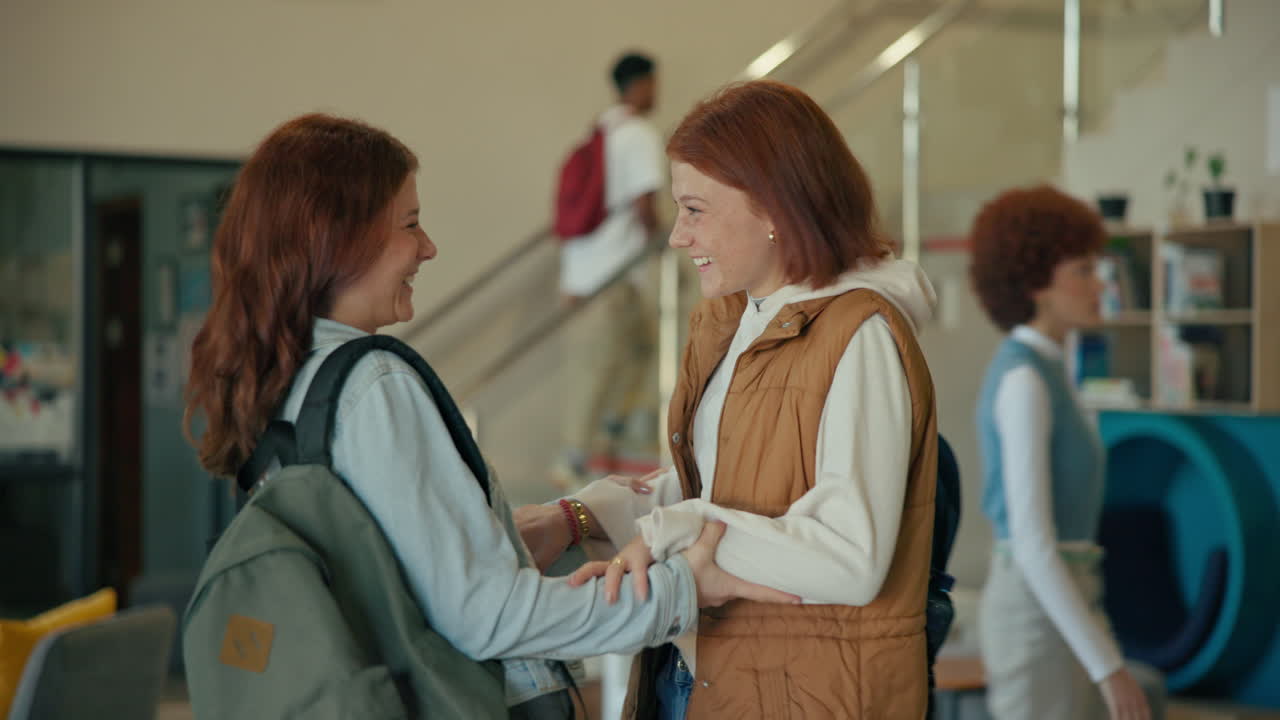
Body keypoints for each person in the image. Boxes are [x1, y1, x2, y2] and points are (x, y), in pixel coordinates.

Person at [182, 113, 795, 719]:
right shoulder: (374, 384)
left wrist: (568, 521)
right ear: (337, 238)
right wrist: (683, 589)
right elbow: (490, 617)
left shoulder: (284, 381)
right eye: (411, 224)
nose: (428, 247)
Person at [518, 79, 940, 719]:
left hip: (799, 691)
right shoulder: (732, 320)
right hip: (697, 669)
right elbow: (720, 492)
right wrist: (579, 517)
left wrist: (671, 530)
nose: (677, 237)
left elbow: (851, 558)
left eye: (694, 210)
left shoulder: (861, 335)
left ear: (774, 207)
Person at [968, 185, 1164, 720]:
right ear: (1036, 283)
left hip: (1068, 599)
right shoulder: (1024, 381)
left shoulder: (1054, 372)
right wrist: (1109, 665)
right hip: (1034, 614)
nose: (1100, 285)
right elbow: (1033, 544)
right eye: (1083, 271)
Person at [556, 52, 663, 486]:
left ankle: (613, 438)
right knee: (602, 366)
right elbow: (644, 202)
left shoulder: (600, 131)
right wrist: (661, 239)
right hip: (613, 277)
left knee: (635, 351)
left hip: (583, 274)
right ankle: (575, 458)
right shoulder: (637, 133)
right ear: (642, 85)